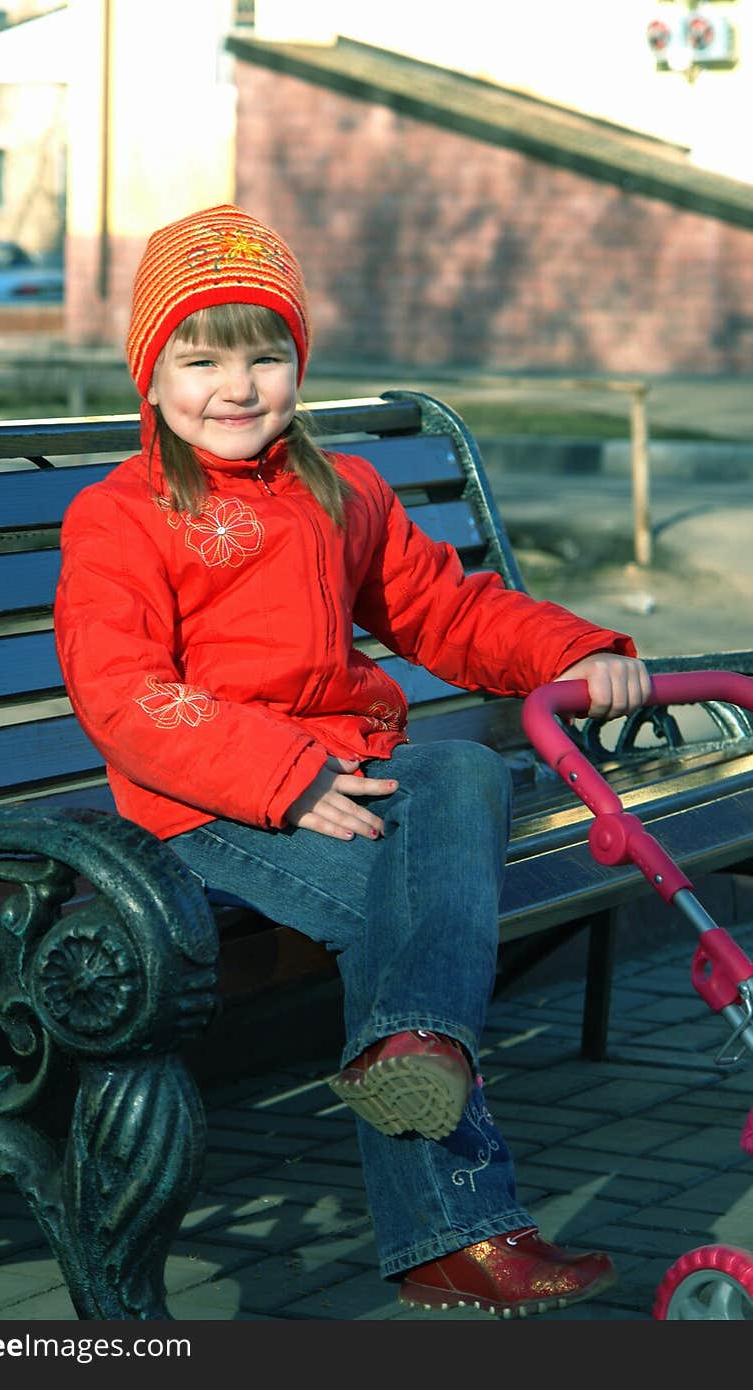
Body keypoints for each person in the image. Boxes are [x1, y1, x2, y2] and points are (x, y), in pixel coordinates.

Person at [54, 204, 651, 1318]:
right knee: (409, 899)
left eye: (264, 355)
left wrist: (571, 647)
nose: (236, 387)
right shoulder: (120, 517)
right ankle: (455, 1228)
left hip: (345, 785)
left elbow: (446, 610)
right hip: (199, 813)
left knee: (465, 775)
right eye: (200, 357)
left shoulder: (340, 494)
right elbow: (121, 692)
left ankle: (414, 1053)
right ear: (149, 374)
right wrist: (283, 775)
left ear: (299, 364)